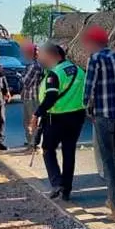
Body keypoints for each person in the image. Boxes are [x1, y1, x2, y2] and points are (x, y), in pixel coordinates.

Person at [82, 25, 115, 222]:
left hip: (103, 115)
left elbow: (89, 87)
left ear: (94, 43)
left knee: (108, 160)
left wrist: (86, 106)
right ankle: (114, 200)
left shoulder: (95, 59)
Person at [32, 43, 85, 201]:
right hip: (77, 117)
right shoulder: (79, 71)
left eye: (43, 55)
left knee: (48, 149)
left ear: (53, 56)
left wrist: (36, 115)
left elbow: (50, 98)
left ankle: (56, 183)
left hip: (56, 118)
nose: (40, 58)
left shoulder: (54, 74)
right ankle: (66, 190)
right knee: (69, 153)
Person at [19, 42, 46, 147]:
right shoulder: (32, 65)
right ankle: (30, 141)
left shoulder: (34, 66)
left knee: (32, 122)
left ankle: (34, 144)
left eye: (26, 52)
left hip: (32, 98)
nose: (24, 54)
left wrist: (19, 76)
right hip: (29, 97)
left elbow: (25, 82)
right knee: (28, 121)